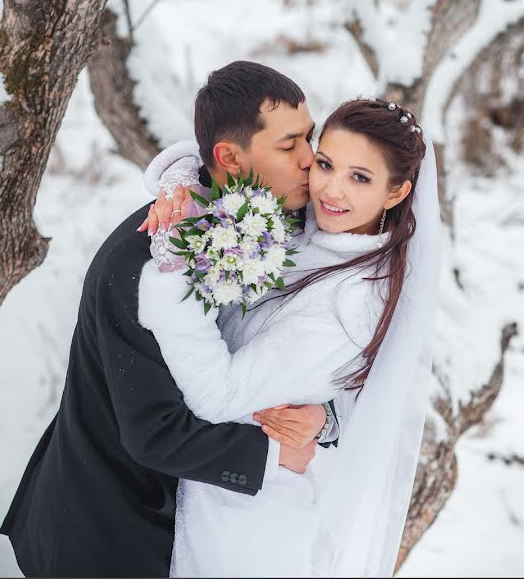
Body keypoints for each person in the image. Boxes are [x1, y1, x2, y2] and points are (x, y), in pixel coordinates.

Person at [0, 61, 343, 578]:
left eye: (309, 137)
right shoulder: (142, 265)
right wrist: (279, 456)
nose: (309, 160)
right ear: (229, 156)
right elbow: (155, 434)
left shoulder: (286, 215)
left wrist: (324, 418)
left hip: (211, 530)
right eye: (289, 144)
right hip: (111, 532)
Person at [138, 95, 441, 576]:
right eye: (325, 164)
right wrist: (179, 182)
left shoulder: (353, 298)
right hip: (212, 499)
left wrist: (169, 279)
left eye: (359, 178)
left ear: (396, 193)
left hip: (247, 529)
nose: (331, 191)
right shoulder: (305, 224)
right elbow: (229, 155)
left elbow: (221, 397)